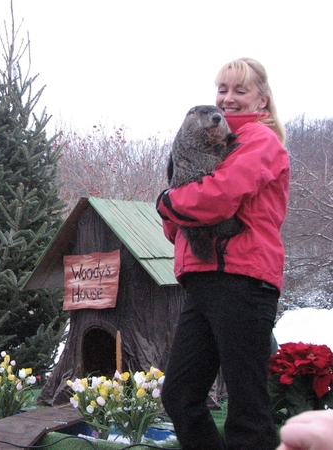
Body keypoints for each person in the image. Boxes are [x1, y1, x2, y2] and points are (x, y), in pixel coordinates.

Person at [156, 58, 290, 449]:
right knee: (180, 395)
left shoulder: (259, 141)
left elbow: (218, 197)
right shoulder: (200, 142)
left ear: (261, 99)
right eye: (222, 89)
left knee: (247, 407)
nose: (228, 99)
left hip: (244, 280)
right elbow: (183, 219)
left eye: (240, 90)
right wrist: (176, 210)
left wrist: (167, 204)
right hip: (204, 278)